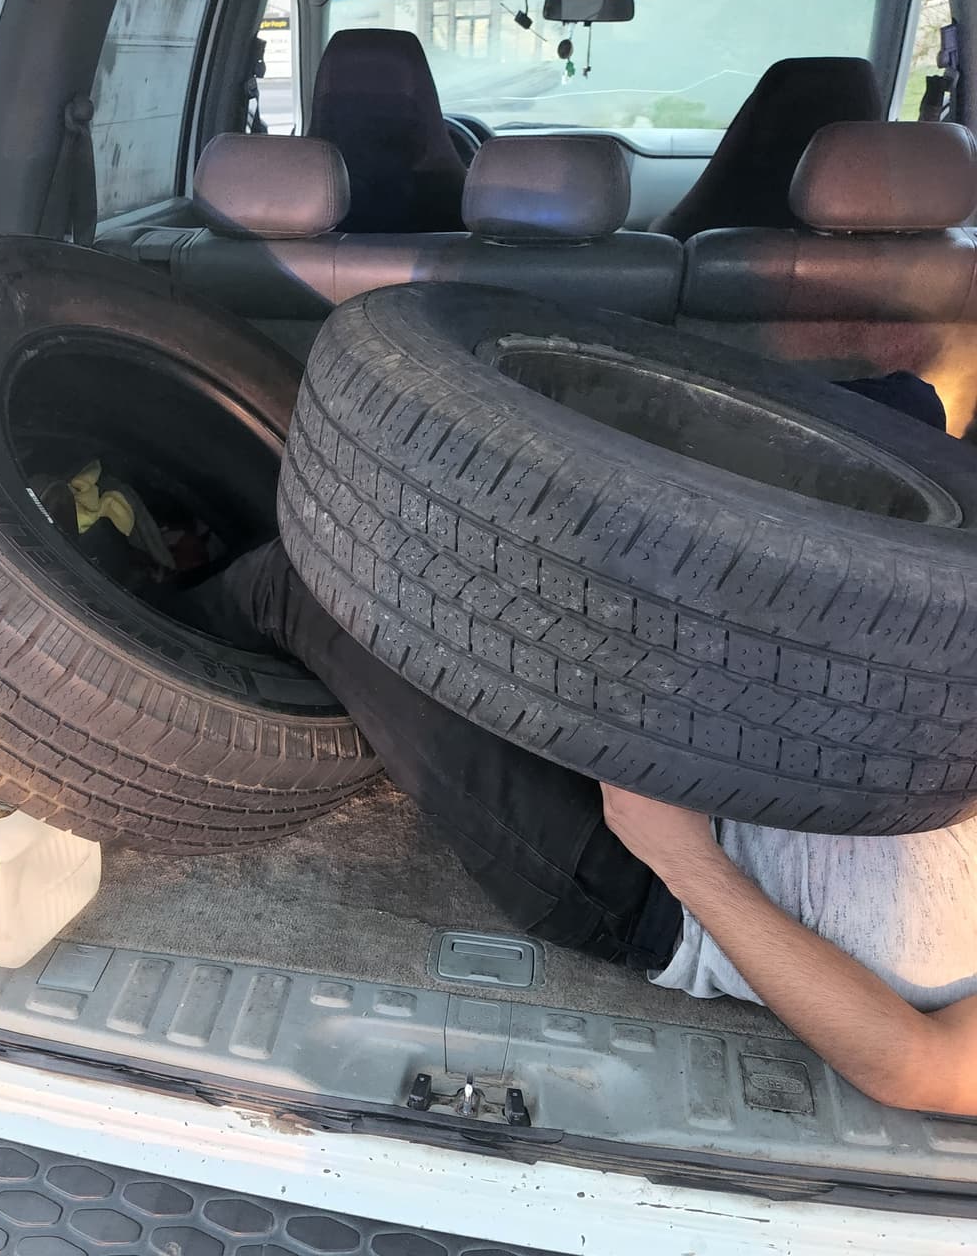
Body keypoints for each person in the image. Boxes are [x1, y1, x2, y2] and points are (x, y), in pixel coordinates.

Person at [173, 373, 977, 1116]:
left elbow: (917, 1065)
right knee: (900, 412)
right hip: (745, 709)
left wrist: (683, 860)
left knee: (317, 593)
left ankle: (150, 622)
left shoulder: (671, 864)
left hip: (654, 873)